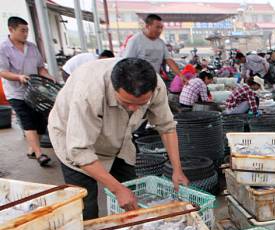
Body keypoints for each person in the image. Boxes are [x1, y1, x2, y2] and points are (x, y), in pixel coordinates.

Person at [48, 58, 189, 219]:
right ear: (114, 89)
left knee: (133, 194)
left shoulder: (156, 86)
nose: (134, 109)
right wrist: (117, 189)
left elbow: (167, 127)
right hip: (73, 140)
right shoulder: (89, 92)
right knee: (85, 208)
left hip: (118, 140)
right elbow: (79, 151)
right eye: (127, 103)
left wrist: (177, 169)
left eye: (141, 104)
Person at [0, 16, 53, 166]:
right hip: (16, 93)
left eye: (27, 30)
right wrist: (18, 77)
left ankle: (31, 149)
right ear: (11, 30)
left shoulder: (32, 47)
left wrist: (49, 77)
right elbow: (2, 71)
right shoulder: (3, 48)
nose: (25, 34)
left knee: (41, 124)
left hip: (35, 92)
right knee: (28, 122)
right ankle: (39, 154)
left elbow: (40, 68)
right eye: (22, 30)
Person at [121, 14, 187, 86]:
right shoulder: (135, 40)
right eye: (157, 27)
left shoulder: (161, 43)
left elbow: (169, 60)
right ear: (147, 26)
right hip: (137, 82)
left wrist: (181, 75)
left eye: (161, 28)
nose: (160, 30)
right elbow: (126, 63)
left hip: (154, 81)